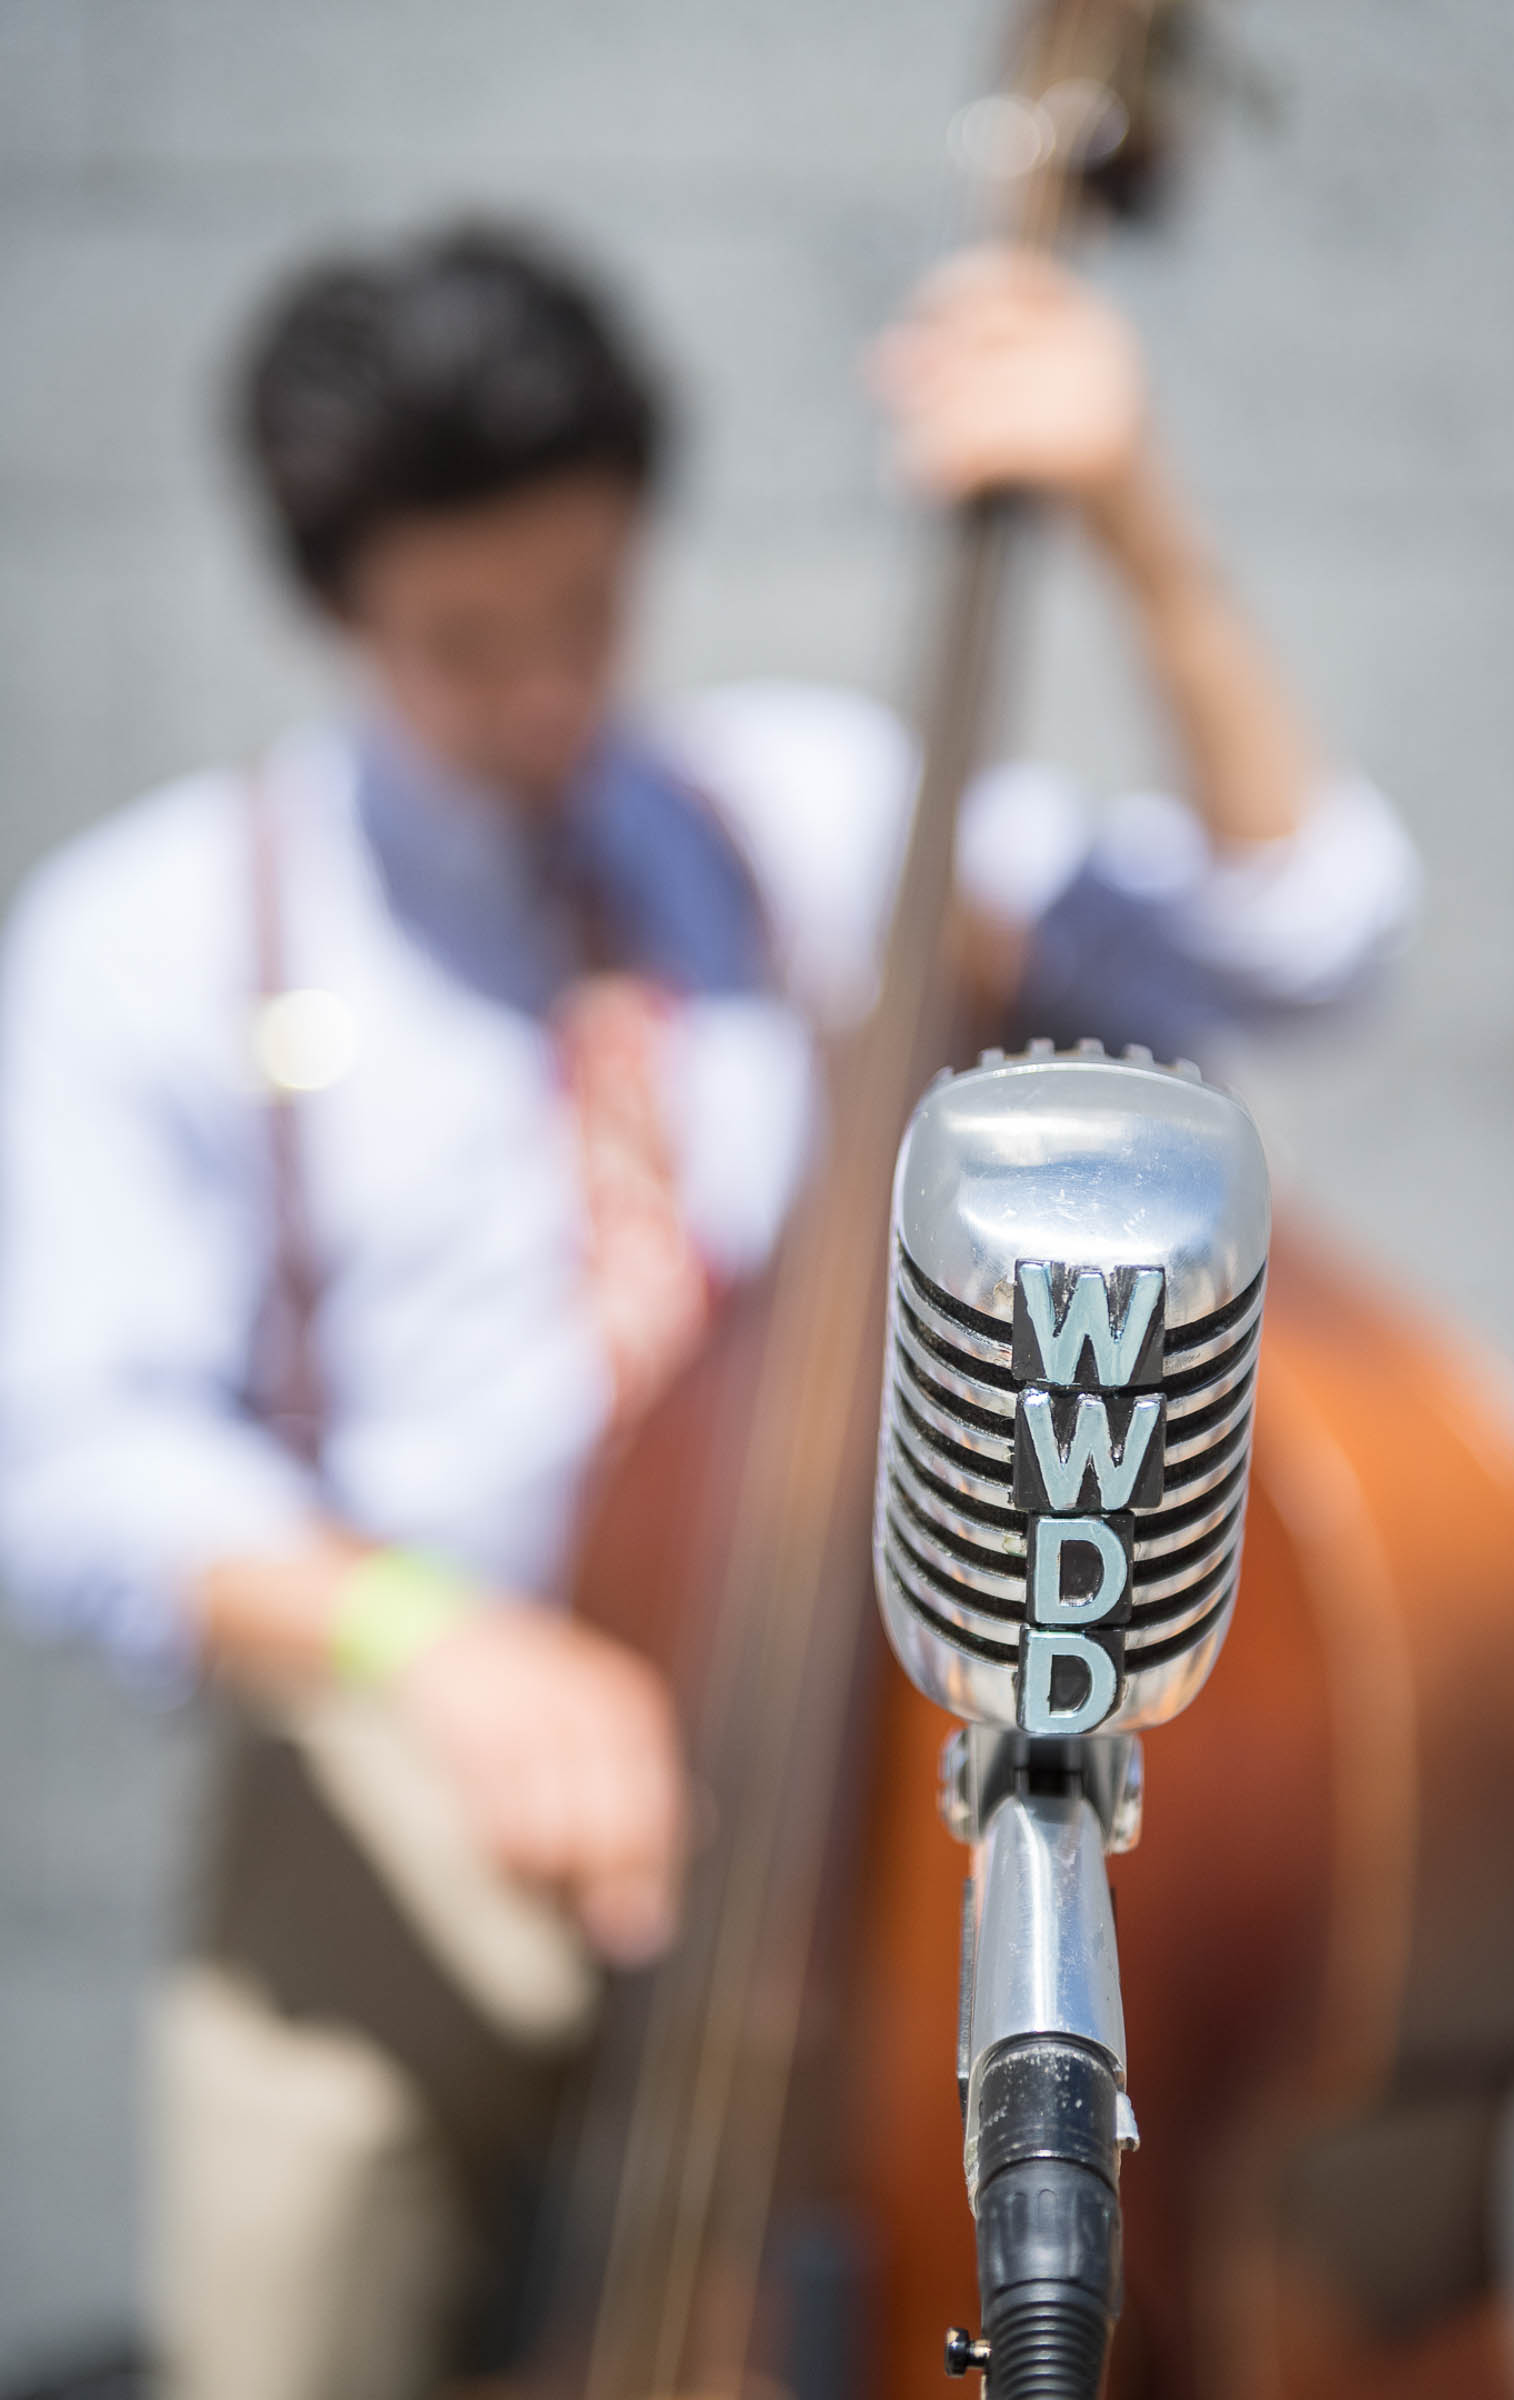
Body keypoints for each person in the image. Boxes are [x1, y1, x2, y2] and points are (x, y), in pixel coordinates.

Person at [0, 225, 1418, 2400]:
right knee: (289, 2282)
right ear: (335, 607)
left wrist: (1135, 519)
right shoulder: (147, 936)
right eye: (466, 643)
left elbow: (1298, 938)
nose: (546, 689)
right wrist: (427, 1643)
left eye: (584, 612)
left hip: (840, 1753)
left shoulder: (812, 816)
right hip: (422, 1752)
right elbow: (75, 1453)